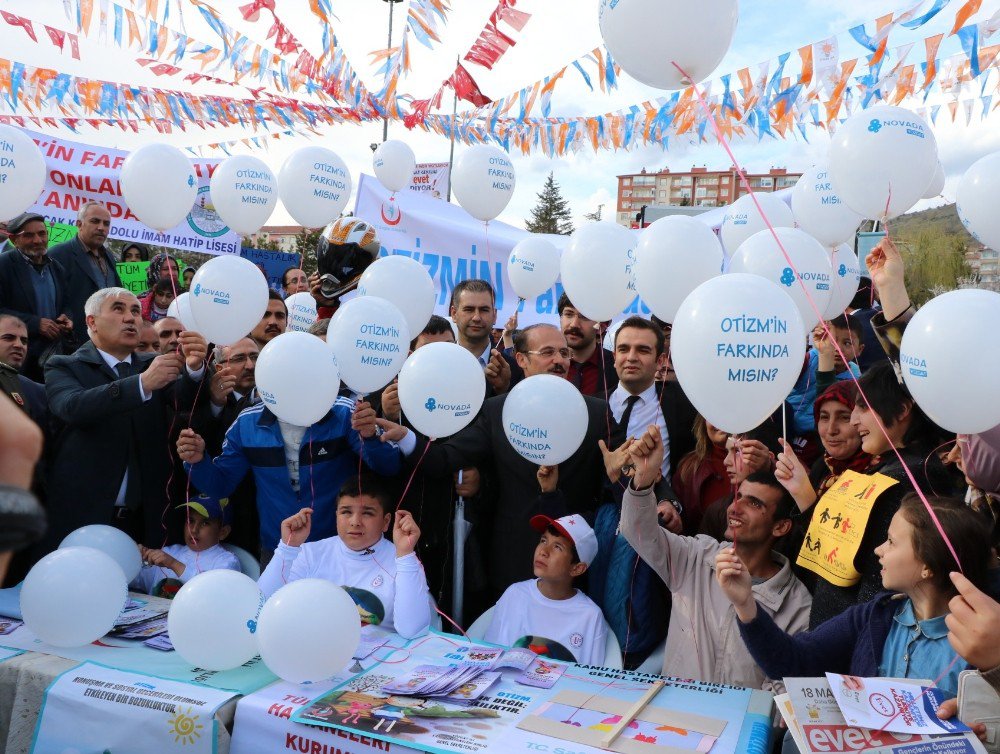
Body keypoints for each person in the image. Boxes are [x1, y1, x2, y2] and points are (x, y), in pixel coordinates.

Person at [386, 323, 618, 600]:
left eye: (564, 353)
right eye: (548, 352)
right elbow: (444, 458)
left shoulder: (597, 412)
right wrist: (404, 437)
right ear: (521, 359)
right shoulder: (497, 411)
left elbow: (615, 480)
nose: (559, 361)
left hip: (572, 568)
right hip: (511, 559)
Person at [717, 495, 992, 710]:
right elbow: (792, 661)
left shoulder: (984, 642)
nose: (878, 550)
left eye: (891, 542)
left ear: (927, 566)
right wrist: (745, 606)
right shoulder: (875, 616)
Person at [621, 425, 812, 688]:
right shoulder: (697, 556)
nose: (736, 508)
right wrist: (643, 479)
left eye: (754, 503)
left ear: (781, 527)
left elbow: (783, 690)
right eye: (738, 496)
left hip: (739, 727)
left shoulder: (797, 605)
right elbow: (637, 531)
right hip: (672, 720)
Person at [42, 287, 208, 551]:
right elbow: (73, 406)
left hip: (145, 525)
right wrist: (141, 384)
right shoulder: (63, 366)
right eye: (118, 309)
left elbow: (182, 397)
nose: (131, 318)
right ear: (91, 322)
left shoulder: (153, 363)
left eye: (134, 310)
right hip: (80, 522)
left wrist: (195, 367)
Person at [177, 391, 402, 561]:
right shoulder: (247, 423)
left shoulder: (344, 412)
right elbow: (220, 486)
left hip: (339, 546)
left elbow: (388, 466)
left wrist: (370, 436)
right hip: (279, 547)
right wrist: (197, 461)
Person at [589, 316, 696, 667]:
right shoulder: (591, 408)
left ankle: (636, 659)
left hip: (661, 520)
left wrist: (670, 503)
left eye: (643, 349)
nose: (631, 356)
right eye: (624, 348)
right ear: (614, 356)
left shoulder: (683, 405)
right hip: (603, 520)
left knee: (645, 606)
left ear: (660, 359)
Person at [378, 315, 480, 610]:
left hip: (449, 534)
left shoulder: (471, 397)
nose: (440, 362)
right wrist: (380, 411)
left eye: (448, 350)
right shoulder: (387, 395)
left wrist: (479, 479)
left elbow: (478, 453)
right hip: (392, 529)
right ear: (410, 356)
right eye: (428, 352)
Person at [257, 476, 432, 639]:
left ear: (386, 522)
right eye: (346, 512)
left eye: (367, 513)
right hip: (316, 651)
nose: (355, 521)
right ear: (336, 516)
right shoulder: (308, 553)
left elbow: (413, 631)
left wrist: (405, 555)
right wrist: (287, 548)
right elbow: (260, 607)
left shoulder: (403, 560)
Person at [485, 471, 607, 666]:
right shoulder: (515, 594)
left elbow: (590, 680)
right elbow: (490, 657)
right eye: (543, 540)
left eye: (557, 547)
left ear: (577, 568)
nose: (543, 550)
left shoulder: (590, 615)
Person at [0, 212, 74, 380]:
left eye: (42, 233)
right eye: (28, 235)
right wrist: (36, 324)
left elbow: (66, 304)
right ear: (13, 240)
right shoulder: (4, 266)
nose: (38, 240)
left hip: (51, 355)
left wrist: (67, 318)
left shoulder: (57, 268)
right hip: (16, 358)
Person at [131, 493, 240, 597]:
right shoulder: (170, 552)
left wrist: (173, 564)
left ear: (223, 532)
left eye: (205, 523)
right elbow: (131, 581)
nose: (193, 530)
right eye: (190, 520)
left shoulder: (227, 561)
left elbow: (212, 595)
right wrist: (133, 558)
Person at [48, 201, 122, 345]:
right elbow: (53, 299)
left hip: (107, 339)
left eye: (106, 224)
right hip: (74, 341)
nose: (101, 228)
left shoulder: (110, 256)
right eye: (95, 221)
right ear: (79, 224)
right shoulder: (59, 254)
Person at [449, 279, 511, 394]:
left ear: (494, 315)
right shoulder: (438, 362)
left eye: (484, 310)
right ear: (454, 314)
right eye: (469, 309)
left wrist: (502, 390)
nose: (476, 317)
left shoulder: (513, 369)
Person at [672, 417, 731, 534]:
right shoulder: (688, 469)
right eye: (712, 414)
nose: (718, 420)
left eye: (726, 413)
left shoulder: (760, 461)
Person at [559, 293, 617, 400]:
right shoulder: (541, 361)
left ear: (602, 326)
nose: (574, 324)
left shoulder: (616, 366)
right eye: (569, 314)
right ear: (560, 318)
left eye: (585, 317)